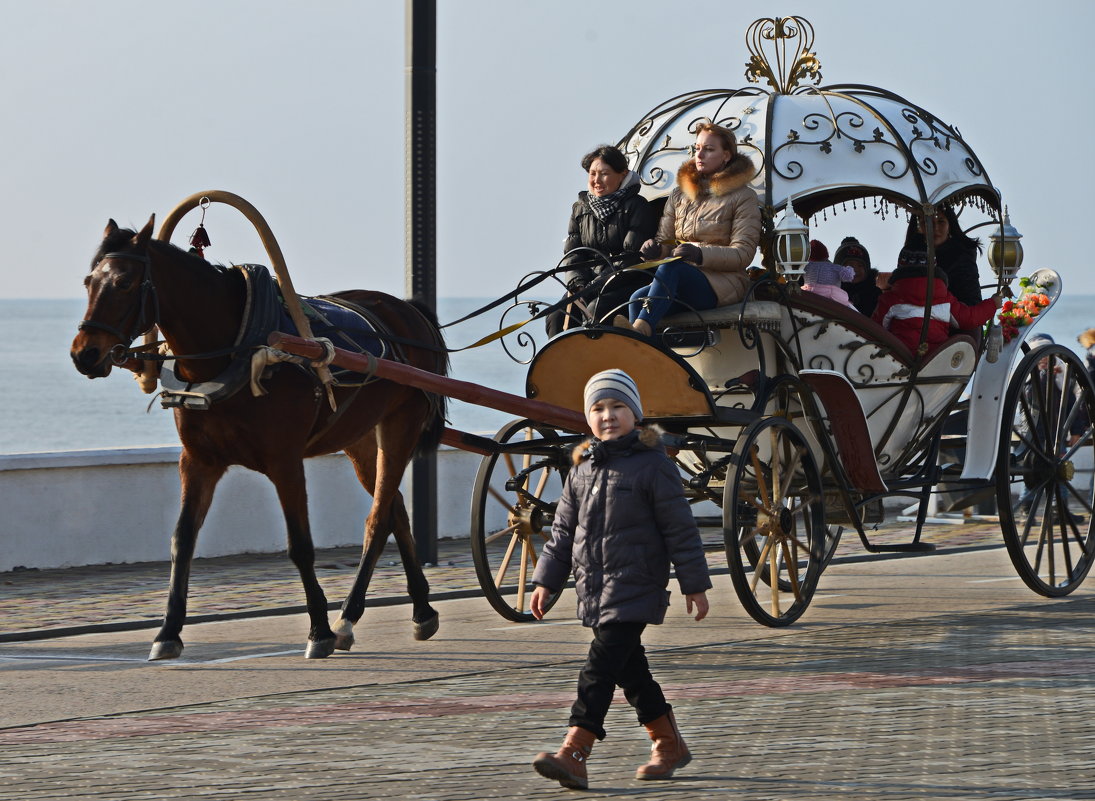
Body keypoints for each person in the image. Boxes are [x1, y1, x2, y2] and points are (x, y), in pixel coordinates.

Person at [530, 369, 711, 790]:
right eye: (598, 408)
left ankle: (575, 751)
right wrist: (546, 582)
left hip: (638, 584)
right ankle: (669, 744)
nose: (608, 415)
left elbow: (680, 529)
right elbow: (561, 534)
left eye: (617, 406)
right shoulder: (581, 470)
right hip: (594, 587)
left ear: (636, 414)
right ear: (587, 418)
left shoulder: (654, 466)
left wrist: (694, 583)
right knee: (631, 672)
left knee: (598, 669)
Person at [626, 121, 761, 336]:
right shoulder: (679, 195)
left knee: (671, 269)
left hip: (723, 285)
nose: (700, 155)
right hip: (681, 279)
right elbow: (665, 241)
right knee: (636, 299)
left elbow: (743, 254)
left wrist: (700, 254)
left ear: (726, 156)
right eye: (697, 149)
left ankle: (638, 334)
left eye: (709, 149)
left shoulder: (744, 197)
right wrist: (655, 250)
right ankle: (646, 361)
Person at [545, 145, 658, 337]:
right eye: (592, 173)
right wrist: (578, 284)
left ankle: (600, 360)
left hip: (628, 282)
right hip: (587, 285)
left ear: (622, 174)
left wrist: (594, 287)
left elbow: (630, 257)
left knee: (598, 309)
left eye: (604, 174)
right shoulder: (580, 209)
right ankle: (565, 364)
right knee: (557, 314)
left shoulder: (637, 206)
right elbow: (573, 254)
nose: (596, 180)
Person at [872, 248, 1000, 355]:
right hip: (935, 360)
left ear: (899, 271)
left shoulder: (890, 299)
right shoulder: (945, 298)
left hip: (900, 358)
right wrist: (992, 304)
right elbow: (969, 318)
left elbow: (875, 330)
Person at [899, 206, 983, 306]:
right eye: (927, 222)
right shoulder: (910, 254)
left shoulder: (962, 257)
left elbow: (972, 303)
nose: (935, 228)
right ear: (918, 227)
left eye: (941, 221)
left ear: (949, 225)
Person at [801, 239, 857, 310]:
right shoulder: (835, 268)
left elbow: (794, 268)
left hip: (809, 293)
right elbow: (848, 276)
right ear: (826, 254)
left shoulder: (807, 266)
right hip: (833, 296)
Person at [834, 236, 881, 315]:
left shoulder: (874, 293)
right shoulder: (831, 290)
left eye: (860, 265)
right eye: (850, 266)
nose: (855, 270)